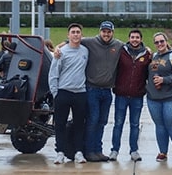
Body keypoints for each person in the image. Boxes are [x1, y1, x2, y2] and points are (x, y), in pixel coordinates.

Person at [81, 20, 123, 162]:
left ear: (112, 32)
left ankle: (98, 150)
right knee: (93, 119)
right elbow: (71, 40)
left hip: (107, 91)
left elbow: (134, 48)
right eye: (104, 31)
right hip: (92, 89)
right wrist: (57, 49)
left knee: (102, 121)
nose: (106, 34)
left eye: (109, 31)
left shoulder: (118, 45)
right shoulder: (90, 42)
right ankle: (89, 150)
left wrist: (147, 49)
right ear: (100, 31)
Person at [109, 29, 151, 162]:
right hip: (121, 95)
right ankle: (114, 150)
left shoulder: (147, 55)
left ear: (141, 39)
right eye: (132, 37)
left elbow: (151, 72)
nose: (135, 39)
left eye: (137, 37)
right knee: (118, 124)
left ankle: (134, 151)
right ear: (129, 38)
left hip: (137, 96)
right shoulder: (121, 52)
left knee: (135, 124)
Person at [48, 23, 89, 164]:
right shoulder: (61, 52)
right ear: (68, 35)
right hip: (63, 92)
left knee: (79, 124)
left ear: (81, 35)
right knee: (60, 124)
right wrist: (55, 93)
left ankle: (78, 152)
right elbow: (53, 73)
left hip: (80, 93)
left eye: (78, 32)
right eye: (73, 32)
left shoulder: (85, 51)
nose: (76, 34)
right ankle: (60, 152)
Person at [146, 32, 172, 162]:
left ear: (166, 41)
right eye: (156, 42)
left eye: (161, 41)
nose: (159, 44)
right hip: (154, 98)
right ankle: (163, 152)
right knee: (159, 125)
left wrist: (165, 80)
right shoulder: (153, 57)